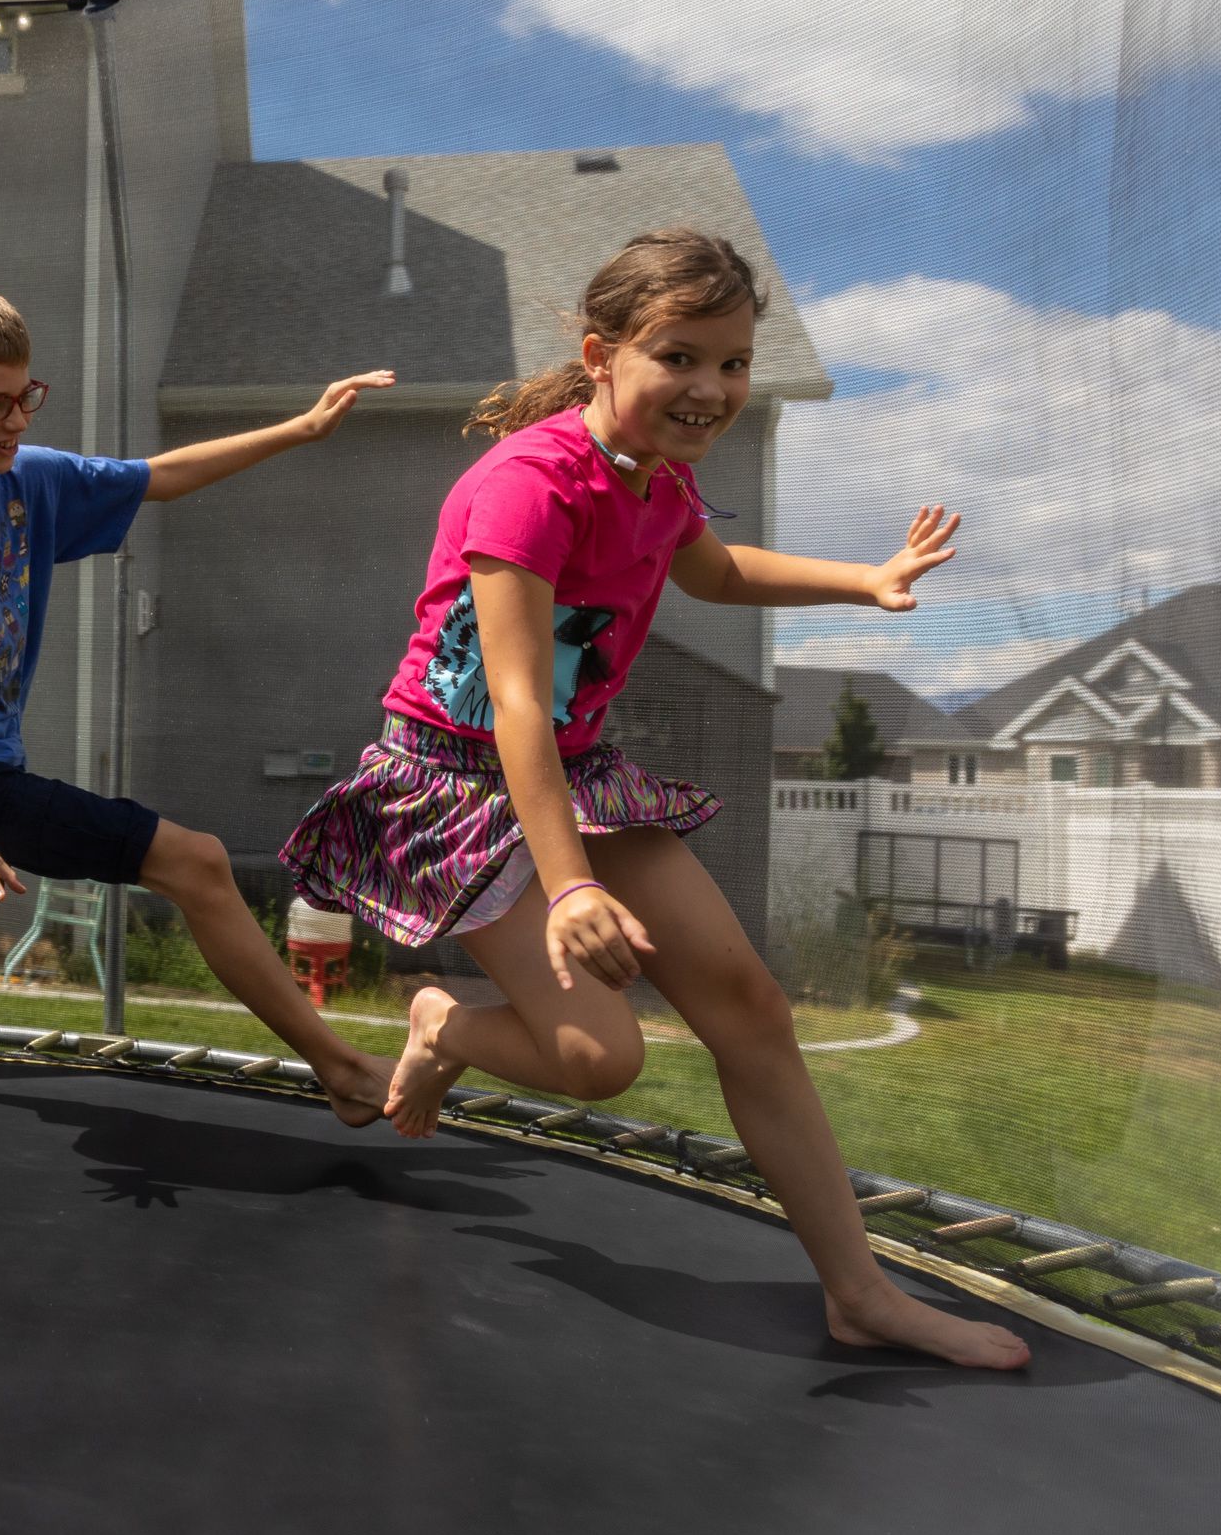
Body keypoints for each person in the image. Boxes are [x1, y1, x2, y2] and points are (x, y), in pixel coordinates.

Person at [281, 229, 1029, 1369]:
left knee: (750, 1007)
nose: (712, 388)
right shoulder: (527, 487)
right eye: (680, 356)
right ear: (602, 355)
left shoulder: (659, 480)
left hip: (576, 777)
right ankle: (445, 1022)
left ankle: (859, 1291)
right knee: (598, 1058)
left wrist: (861, 579)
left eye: (732, 364)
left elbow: (716, 571)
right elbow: (517, 706)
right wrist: (570, 883)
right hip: (457, 789)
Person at [0, 280, 399, 1125]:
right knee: (199, 863)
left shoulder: (25, 480)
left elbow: (160, 478)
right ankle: (344, 1070)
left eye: (25, 396)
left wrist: (301, 427)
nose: (15, 421)